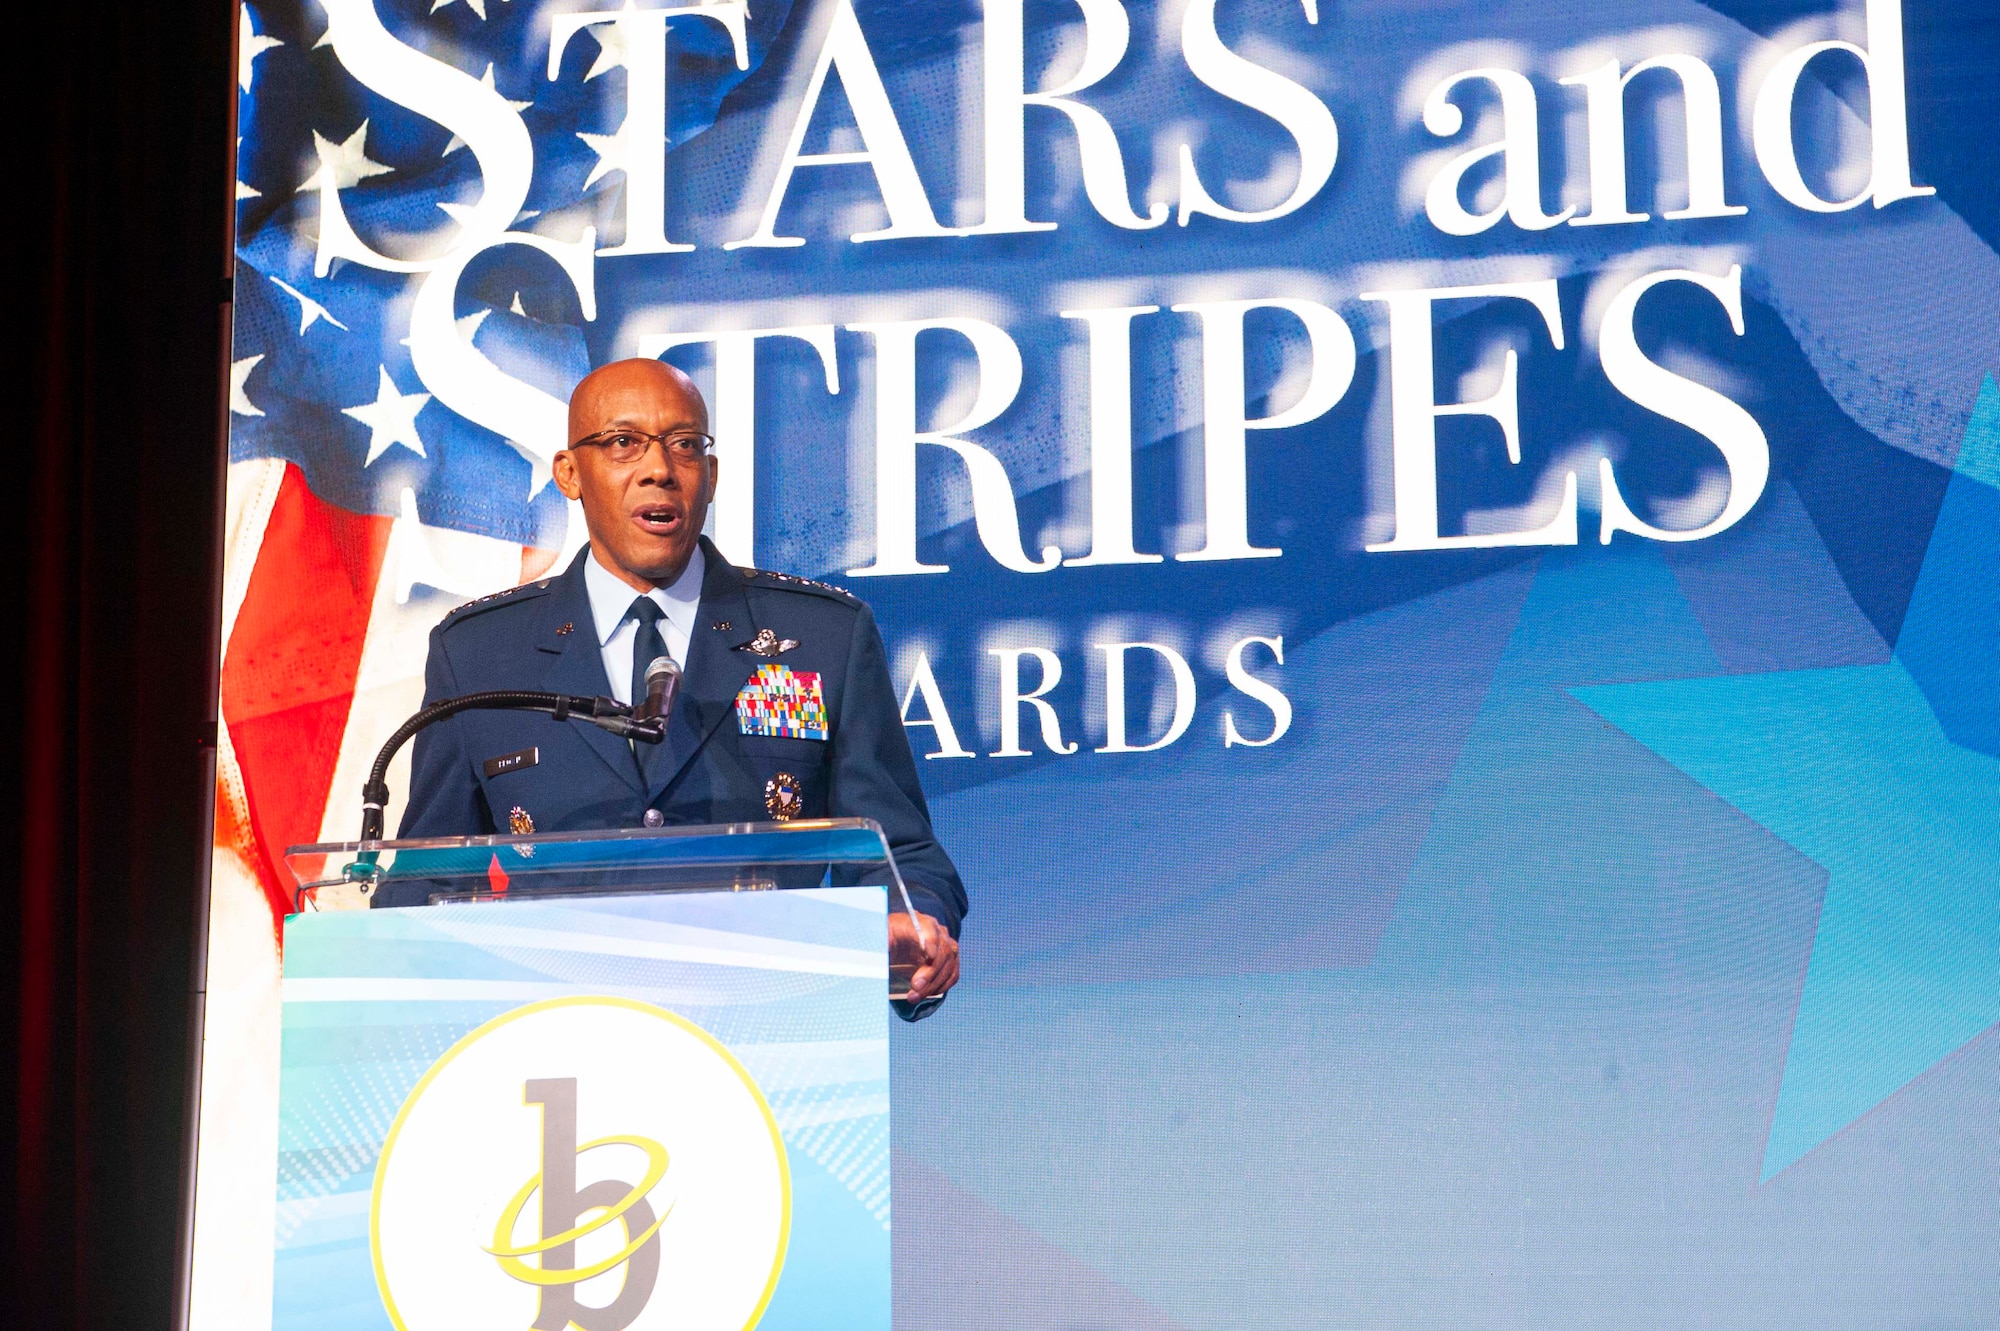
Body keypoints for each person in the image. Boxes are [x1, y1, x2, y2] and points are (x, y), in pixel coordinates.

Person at [379, 358, 964, 1009]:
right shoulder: (481, 654)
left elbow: (899, 850)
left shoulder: (823, 636)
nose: (659, 468)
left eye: (684, 445)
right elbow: (424, 883)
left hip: (770, 1034)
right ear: (569, 473)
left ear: (709, 476)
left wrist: (916, 922)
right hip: (547, 1037)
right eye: (624, 443)